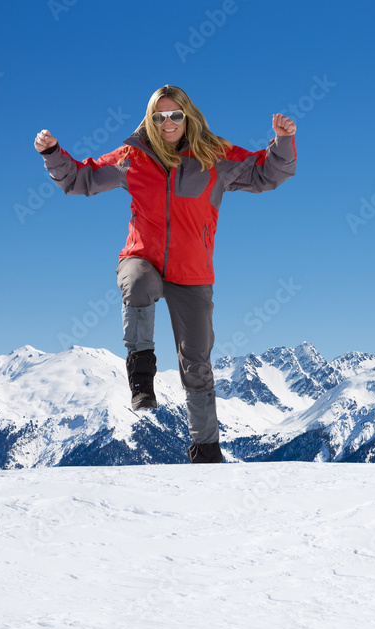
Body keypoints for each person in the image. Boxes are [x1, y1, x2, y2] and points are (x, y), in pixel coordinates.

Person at [34, 85, 297, 464]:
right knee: (138, 284)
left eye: (175, 115)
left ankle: (206, 450)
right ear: (149, 120)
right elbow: (81, 179)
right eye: (159, 116)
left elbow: (265, 175)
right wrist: (52, 154)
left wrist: (283, 141)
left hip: (192, 271)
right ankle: (141, 374)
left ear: (188, 116)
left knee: (197, 363)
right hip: (143, 258)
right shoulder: (132, 157)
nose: (168, 122)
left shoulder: (214, 157)